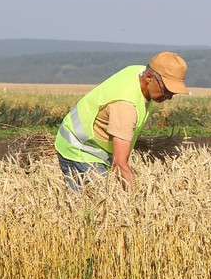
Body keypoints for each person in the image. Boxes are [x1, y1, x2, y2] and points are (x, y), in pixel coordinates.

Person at [55, 51, 189, 191]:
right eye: (167, 91)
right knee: (101, 201)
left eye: (173, 93)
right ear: (149, 77)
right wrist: (131, 201)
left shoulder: (137, 71)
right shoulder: (125, 107)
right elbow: (119, 164)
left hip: (94, 146)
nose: (168, 97)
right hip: (79, 149)